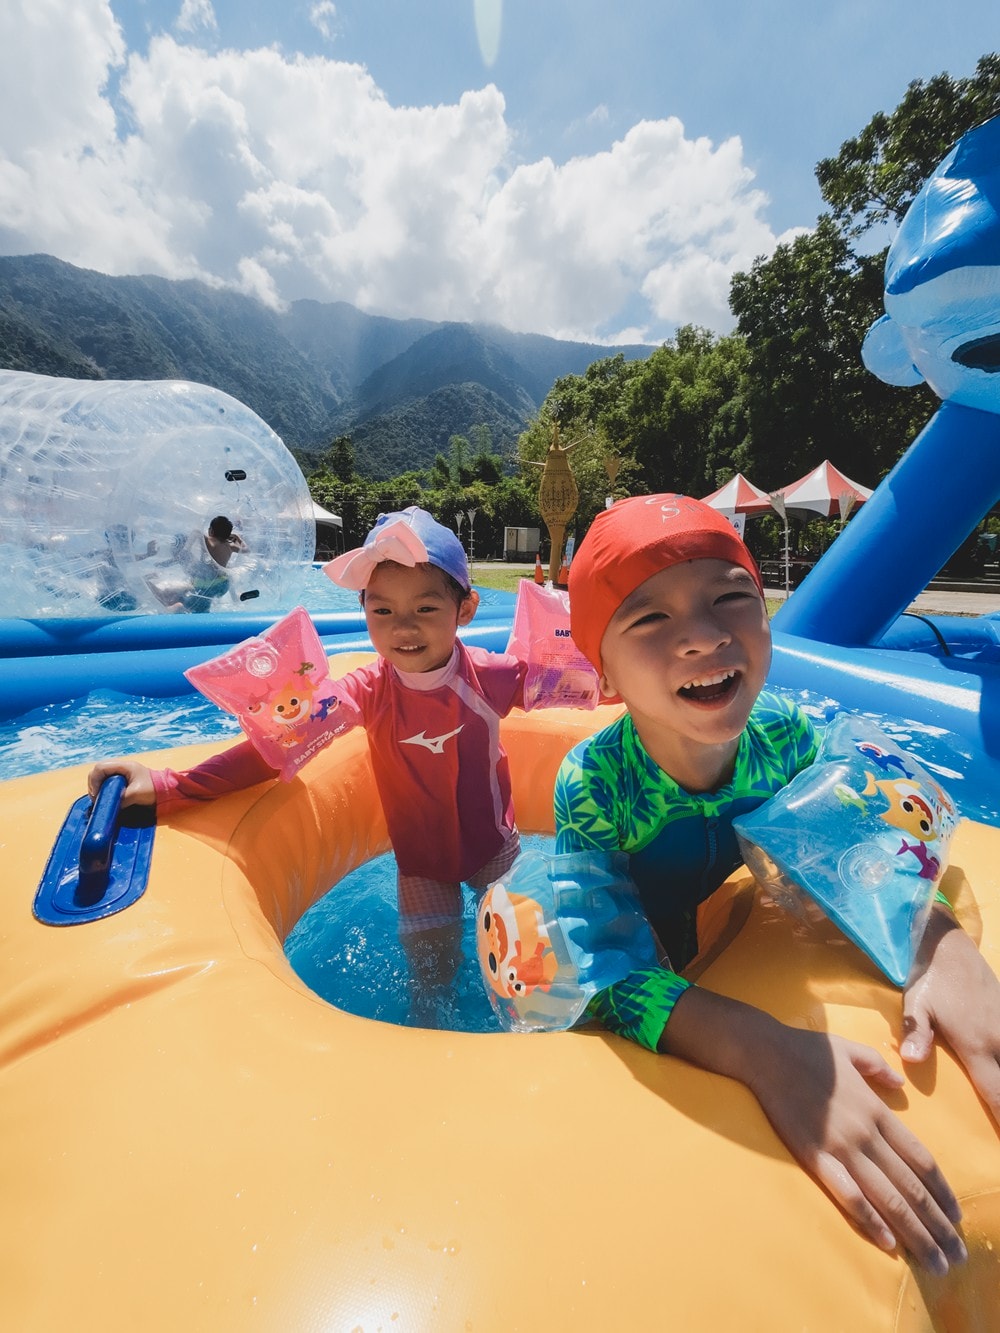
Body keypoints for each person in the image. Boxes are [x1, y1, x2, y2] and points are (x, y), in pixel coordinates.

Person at [556, 492, 1000, 1276]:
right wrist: (762, 1048)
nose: (703, 634)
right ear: (605, 674)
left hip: (730, 907)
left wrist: (936, 937)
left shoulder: (790, 737)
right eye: (649, 619)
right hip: (657, 927)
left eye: (732, 597)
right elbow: (602, 970)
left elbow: (884, 814)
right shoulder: (597, 783)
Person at [88, 506, 584, 1009]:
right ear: (364, 610)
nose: (403, 628)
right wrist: (172, 785)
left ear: (467, 609)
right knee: (430, 984)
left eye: (426, 609)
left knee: (524, 972)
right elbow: (276, 749)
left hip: (495, 847)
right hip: (422, 865)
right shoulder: (364, 692)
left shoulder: (488, 677)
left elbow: (585, 686)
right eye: (382, 611)